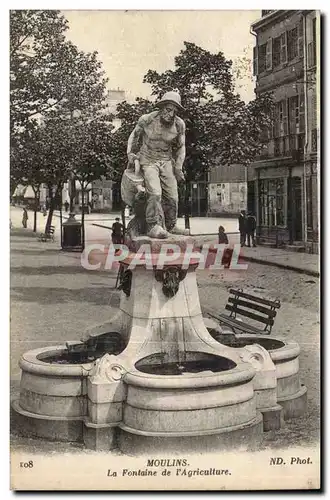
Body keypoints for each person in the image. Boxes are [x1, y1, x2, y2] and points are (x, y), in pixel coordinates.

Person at [126, 91, 189, 239]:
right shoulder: (147, 120)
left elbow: (181, 147)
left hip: (166, 160)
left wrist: (179, 167)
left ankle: (171, 225)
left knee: (173, 195)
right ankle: (153, 225)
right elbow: (134, 136)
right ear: (161, 108)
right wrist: (131, 154)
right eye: (168, 109)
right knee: (155, 193)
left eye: (174, 111)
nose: (171, 114)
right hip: (147, 159)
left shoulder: (179, 125)